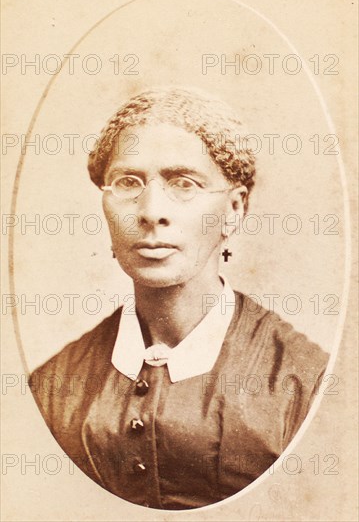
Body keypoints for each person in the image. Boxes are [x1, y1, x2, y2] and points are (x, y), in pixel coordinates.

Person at [30, 87, 329, 510]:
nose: (151, 211)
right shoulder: (52, 387)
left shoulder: (307, 384)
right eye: (128, 182)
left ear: (234, 209)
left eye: (183, 183)